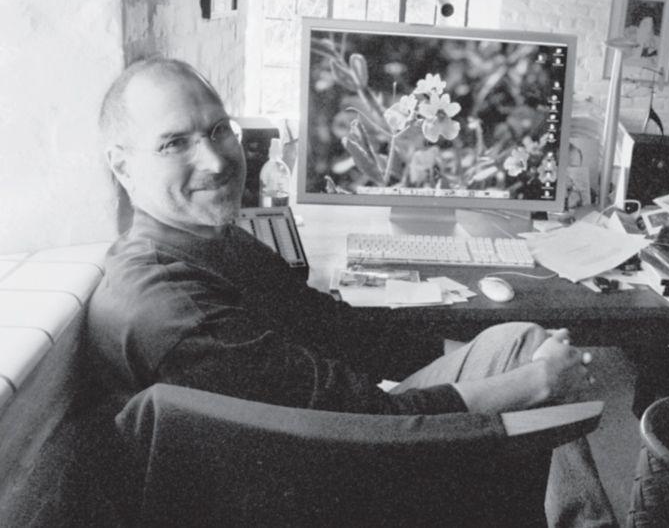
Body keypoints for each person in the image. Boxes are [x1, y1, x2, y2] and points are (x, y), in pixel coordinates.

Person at [86, 58, 614, 526]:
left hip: (331, 445)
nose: (217, 161)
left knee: (517, 339)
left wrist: (488, 358)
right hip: (334, 485)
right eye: (175, 143)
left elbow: (338, 330)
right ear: (122, 164)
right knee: (536, 374)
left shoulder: (209, 242)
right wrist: (535, 382)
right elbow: (368, 421)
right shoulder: (175, 310)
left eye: (219, 130)